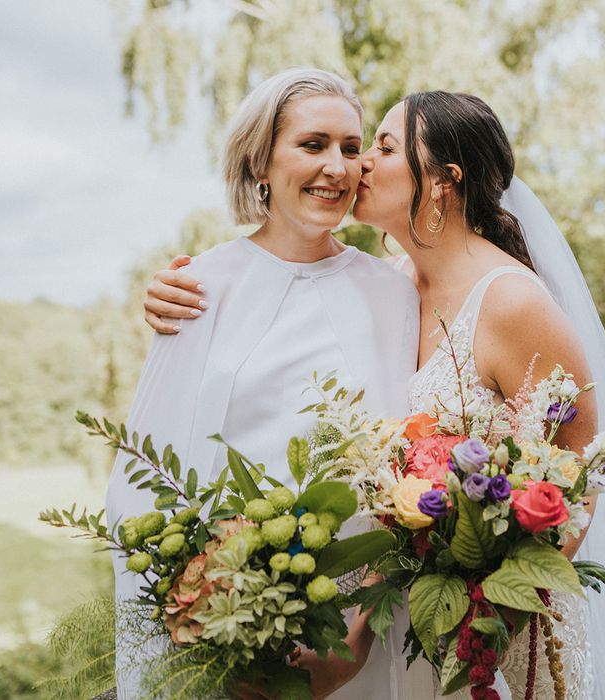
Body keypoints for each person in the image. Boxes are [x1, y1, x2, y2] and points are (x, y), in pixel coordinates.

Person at [145, 89, 605, 699]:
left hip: (499, 634)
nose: (357, 164)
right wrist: (189, 291)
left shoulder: (511, 302)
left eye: (382, 147)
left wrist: (490, 615)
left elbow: (576, 474)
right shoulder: (391, 284)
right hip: (404, 619)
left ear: (445, 182)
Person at [105, 68, 437, 700]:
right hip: (230, 633)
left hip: (360, 629)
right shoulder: (198, 286)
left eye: (349, 147)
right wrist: (202, 624)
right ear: (260, 161)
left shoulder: (395, 292)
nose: (337, 167)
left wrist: (356, 642)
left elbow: (406, 463)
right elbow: (142, 484)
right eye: (312, 145)